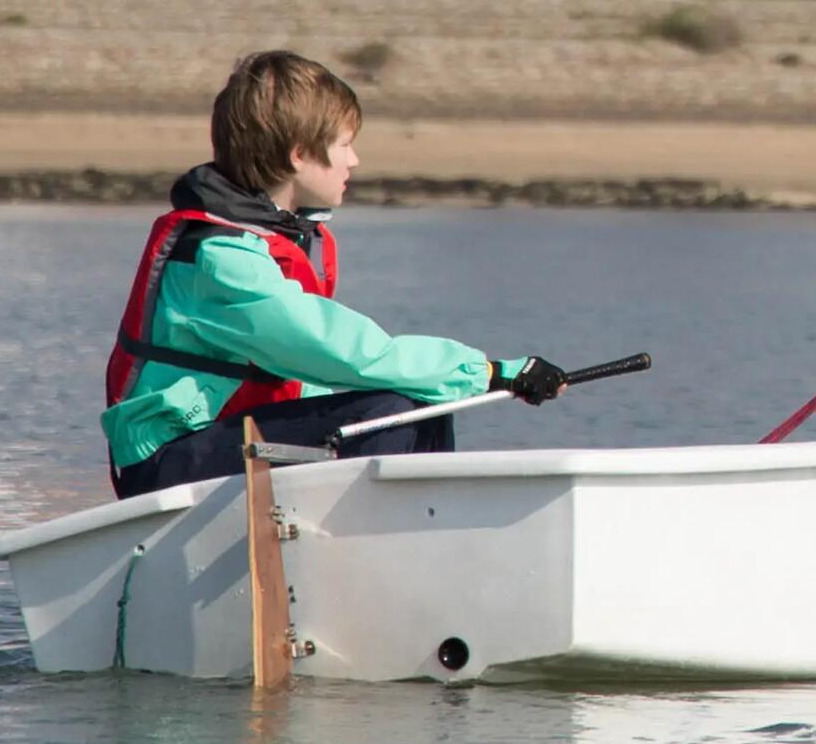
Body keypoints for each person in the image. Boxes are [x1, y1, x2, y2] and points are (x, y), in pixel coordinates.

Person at [103, 48, 564, 499]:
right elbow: (339, 352)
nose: (354, 160)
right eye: (344, 144)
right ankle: (379, 552)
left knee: (414, 405)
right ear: (299, 155)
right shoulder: (220, 259)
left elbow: (317, 376)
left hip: (221, 444)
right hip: (163, 467)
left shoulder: (268, 239)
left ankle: (418, 539)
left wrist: (458, 381)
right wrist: (489, 372)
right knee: (395, 409)